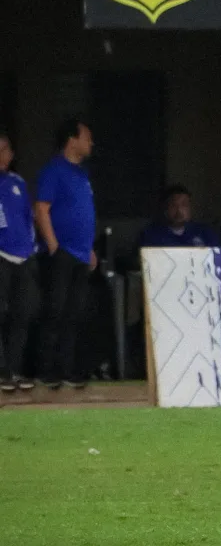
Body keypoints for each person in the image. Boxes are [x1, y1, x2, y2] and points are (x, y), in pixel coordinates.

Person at [35, 118, 99, 389]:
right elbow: (41, 209)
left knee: (75, 313)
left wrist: (90, 249)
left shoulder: (82, 174)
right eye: (87, 137)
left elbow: (82, 213)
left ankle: (68, 369)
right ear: (72, 140)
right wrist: (53, 246)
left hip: (82, 254)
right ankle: (45, 370)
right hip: (63, 253)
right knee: (55, 311)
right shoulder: (53, 170)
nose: (91, 143)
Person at [0, 132, 36, 392]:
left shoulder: (18, 182)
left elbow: (28, 217)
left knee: (22, 313)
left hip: (22, 257)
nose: (3, 155)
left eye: (5, 149)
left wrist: (31, 247)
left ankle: (14, 369)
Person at [138, 185, 220, 248]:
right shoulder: (150, 235)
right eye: (173, 206)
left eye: (184, 205)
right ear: (165, 208)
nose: (179, 210)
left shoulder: (205, 233)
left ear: (190, 208)